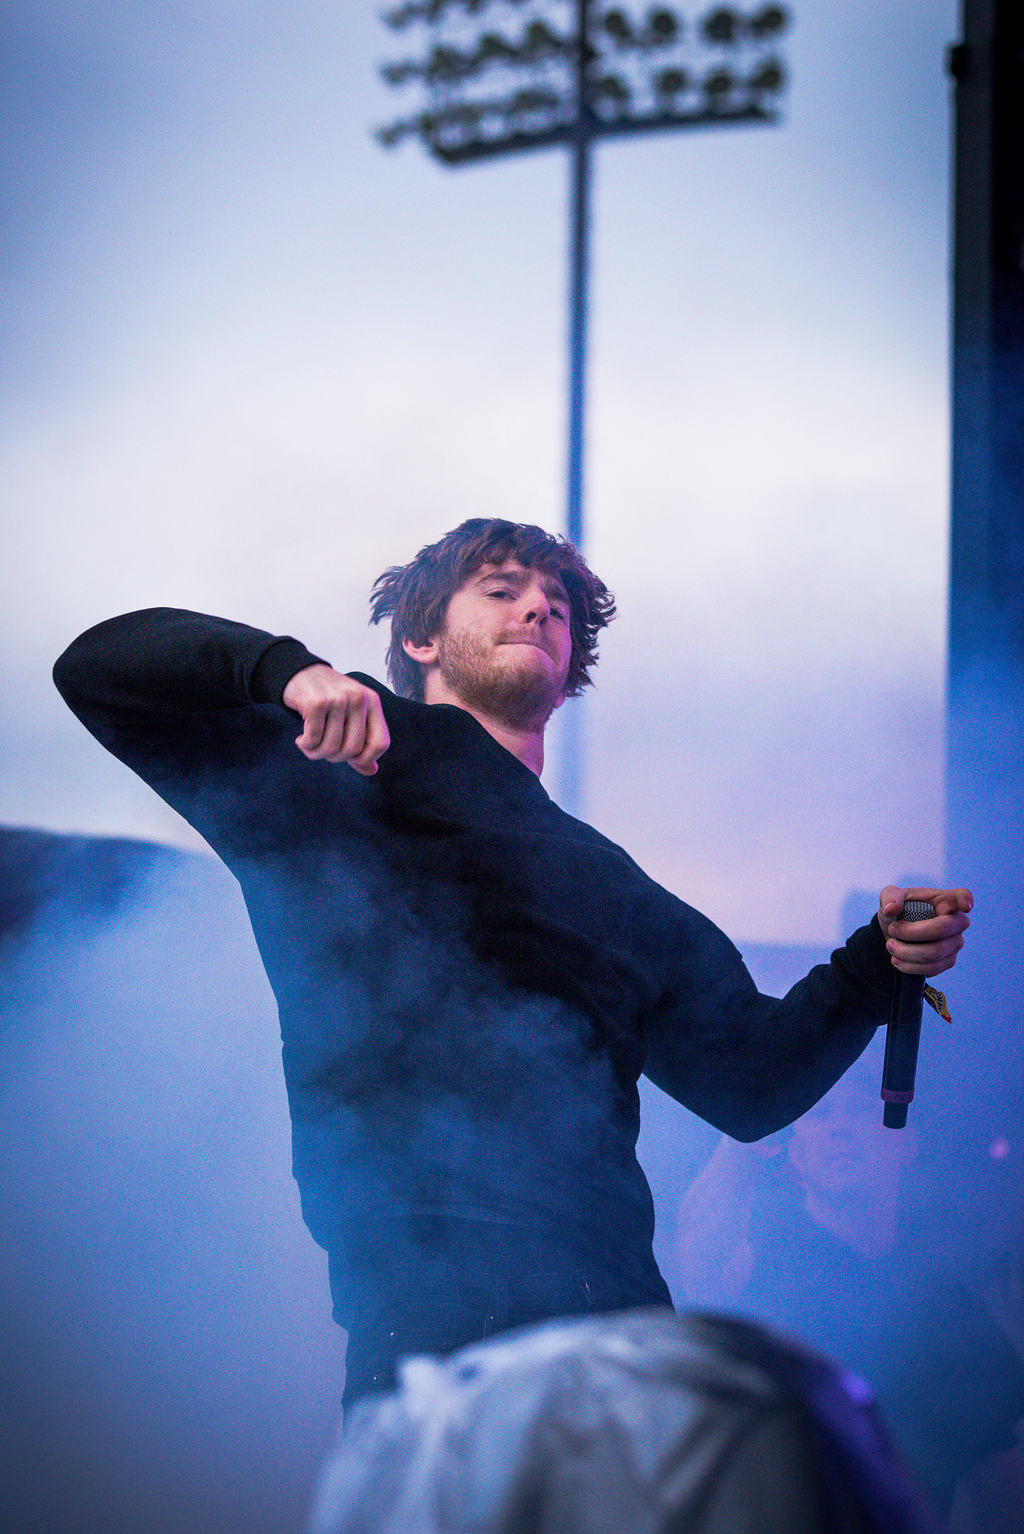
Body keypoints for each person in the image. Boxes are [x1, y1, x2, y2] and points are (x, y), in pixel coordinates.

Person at [52, 517, 973, 1407]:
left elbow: (752, 1083)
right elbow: (97, 670)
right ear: (419, 639)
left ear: (568, 677)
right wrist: (285, 670)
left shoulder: (618, 889)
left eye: (557, 608)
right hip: (431, 1310)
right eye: (500, 590)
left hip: (619, 1321)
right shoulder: (339, 769)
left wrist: (875, 963)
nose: (537, 608)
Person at [674, 1053, 1024, 1521]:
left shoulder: (951, 1310)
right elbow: (696, 1274)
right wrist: (744, 1131)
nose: (839, 1128)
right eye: (819, 1114)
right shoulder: (761, 1260)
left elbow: (998, 1482)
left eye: (860, 1107)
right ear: (793, 1150)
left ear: (906, 1139)